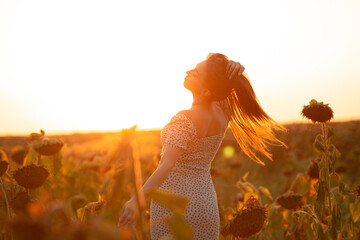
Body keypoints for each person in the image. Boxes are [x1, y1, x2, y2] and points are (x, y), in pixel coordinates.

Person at [117, 53, 286, 239]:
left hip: (176, 207)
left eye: (196, 73)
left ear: (205, 91)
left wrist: (136, 201)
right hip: (205, 204)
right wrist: (232, 69)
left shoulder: (185, 119)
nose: (188, 71)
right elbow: (222, 86)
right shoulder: (222, 113)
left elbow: (166, 165)